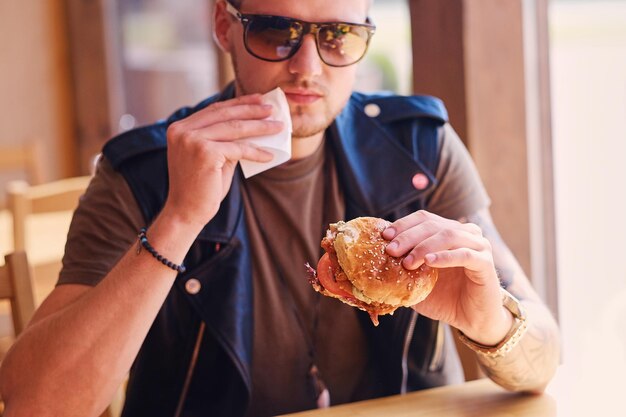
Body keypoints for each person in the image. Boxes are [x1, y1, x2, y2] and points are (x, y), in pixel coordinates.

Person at [0, 0, 560, 416]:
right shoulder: (140, 173)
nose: (307, 67)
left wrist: (488, 322)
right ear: (225, 24)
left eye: (338, 37)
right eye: (277, 31)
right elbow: (34, 405)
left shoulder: (419, 147)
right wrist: (176, 222)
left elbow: (543, 363)